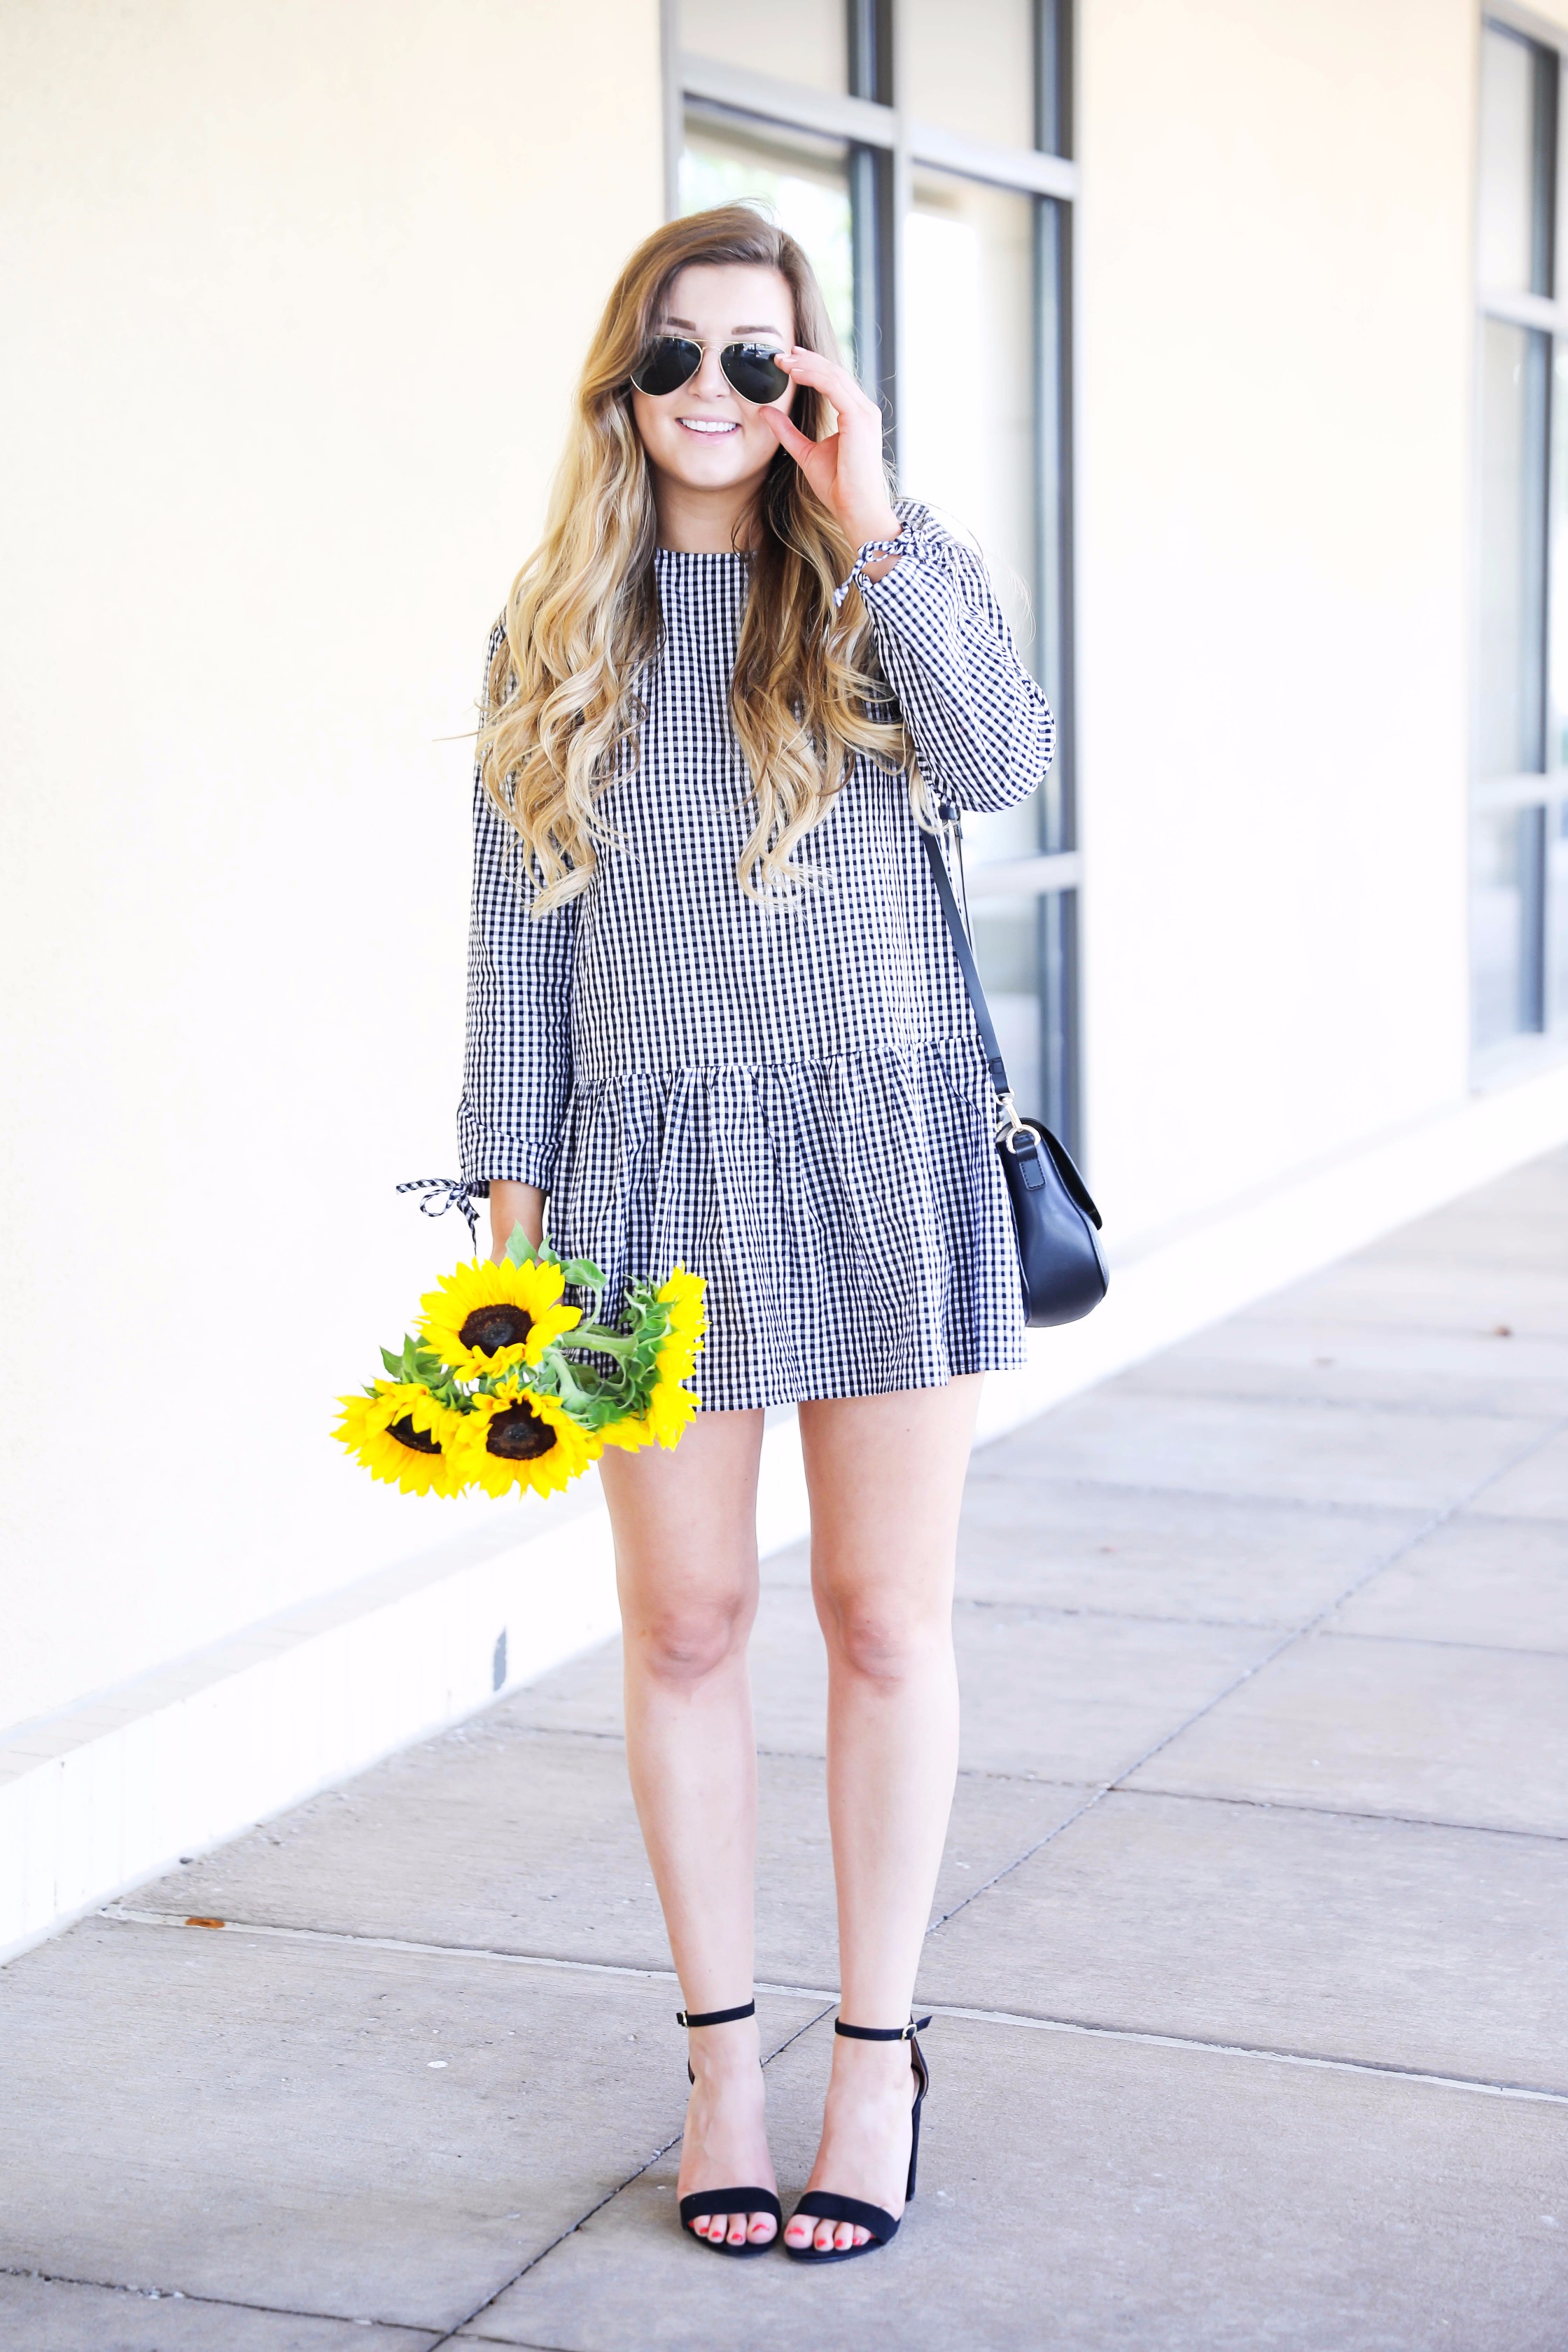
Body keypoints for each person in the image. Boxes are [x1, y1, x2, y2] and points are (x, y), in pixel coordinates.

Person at [461, 206, 1051, 2263]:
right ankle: (725, 2058)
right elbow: (509, 963)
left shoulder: (892, 585)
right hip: (635, 1199)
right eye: (675, 359)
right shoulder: (555, 632)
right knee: (687, 1628)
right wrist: (510, 1257)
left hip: (877, 1159)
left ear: (814, 386)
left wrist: (868, 509)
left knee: (887, 1624)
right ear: (620, 388)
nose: (715, 394)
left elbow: (1006, 761)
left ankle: (875, 2054)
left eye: (761, 362)